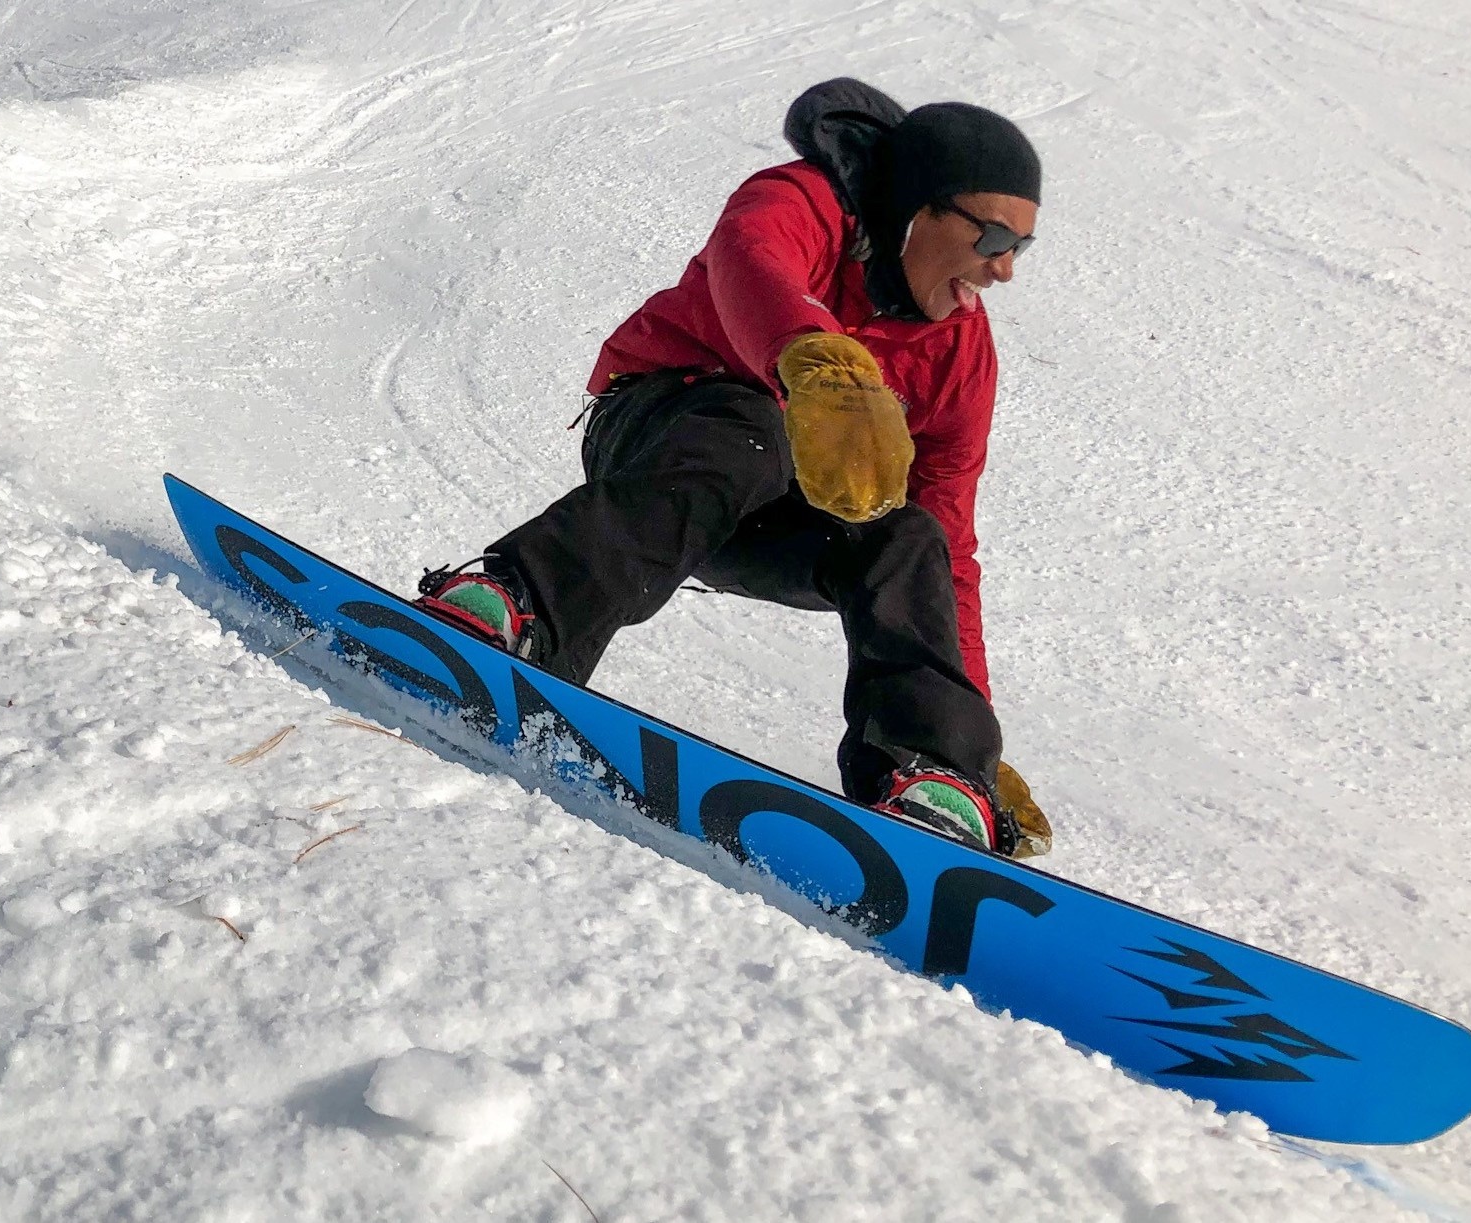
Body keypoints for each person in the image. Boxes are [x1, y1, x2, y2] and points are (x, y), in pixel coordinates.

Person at [414, 79, 1052, 857]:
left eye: (1020, 248)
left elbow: (948, 549)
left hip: (766, 516)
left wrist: (974, 717)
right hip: (658, 434)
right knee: (753, 427)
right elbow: (750, 260)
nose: (1004, 270)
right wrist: (807, 357)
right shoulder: (809, 203)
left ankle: (936, 774)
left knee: (909, 535)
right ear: (922, 207)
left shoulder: (960, 354)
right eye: (994, 238)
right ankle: (521, 605)